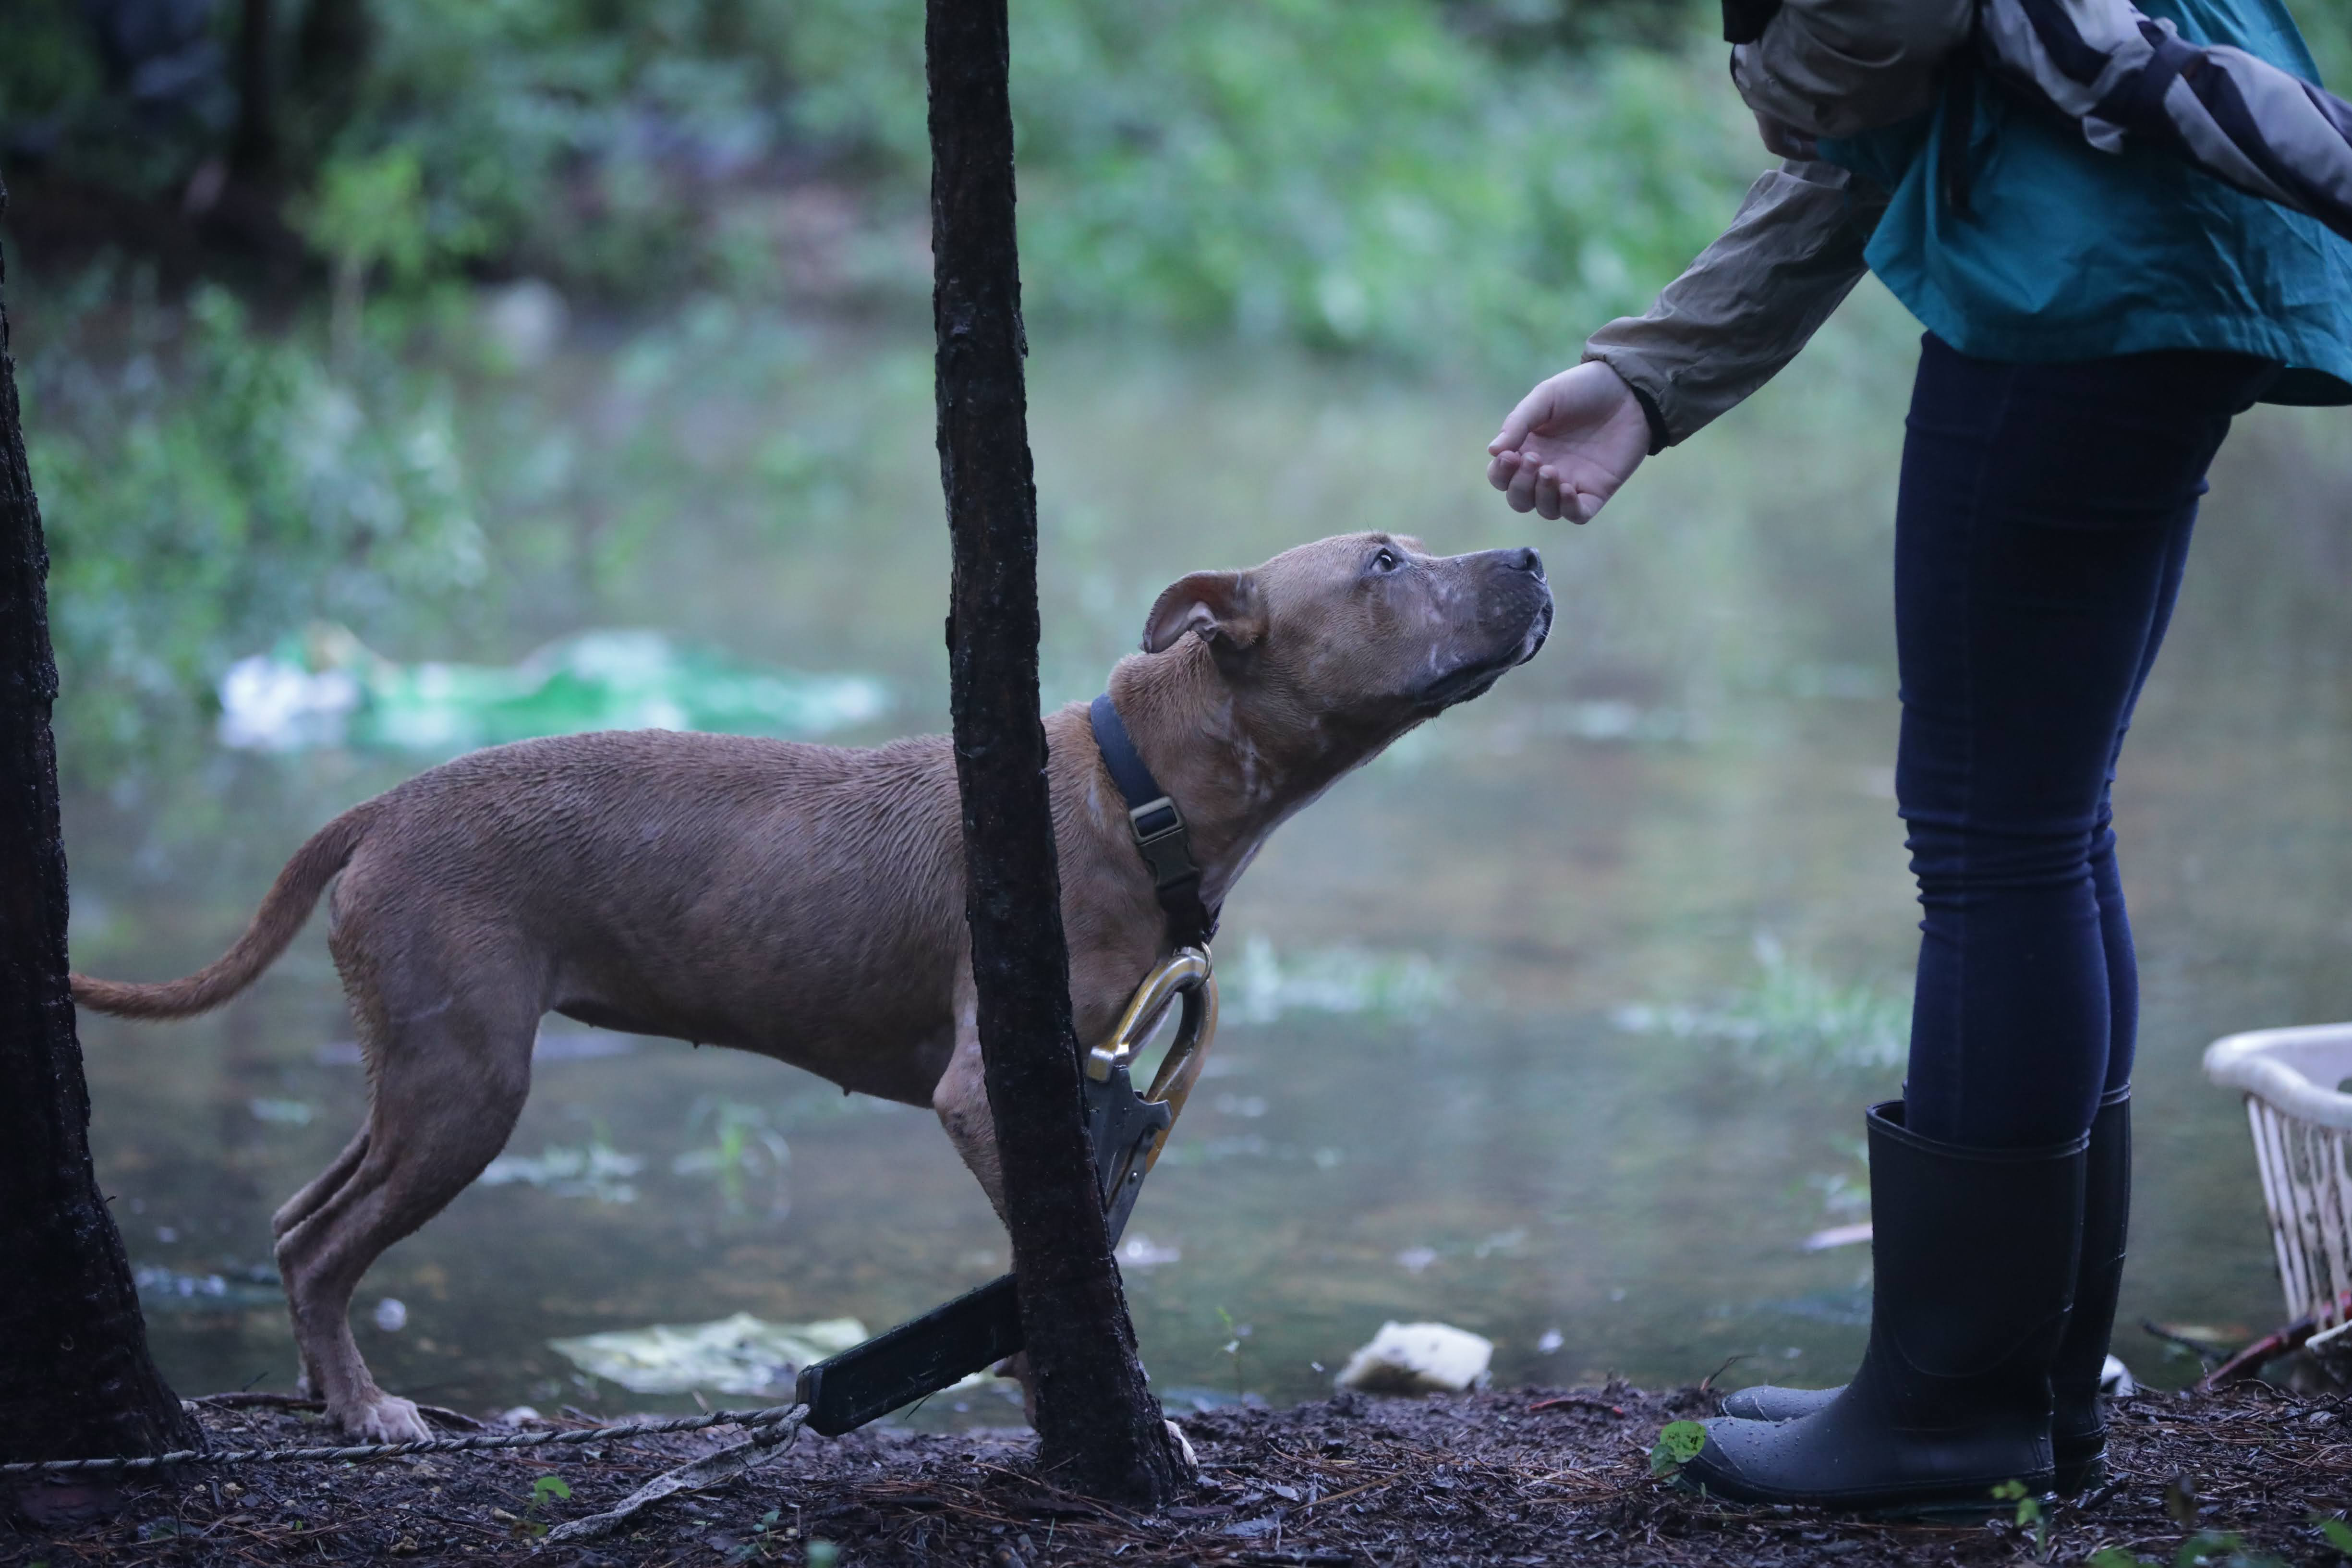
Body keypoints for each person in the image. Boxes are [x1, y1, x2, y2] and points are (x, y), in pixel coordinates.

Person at [1487, 0, 2352, 1515]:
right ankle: (2026, 1391)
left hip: (2071, 271)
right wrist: (1649, 376)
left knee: (1995, 836)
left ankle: (1953, 1412)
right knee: (2045, 825)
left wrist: (1773, 71)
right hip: (2152, 246)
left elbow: (1878, 34)